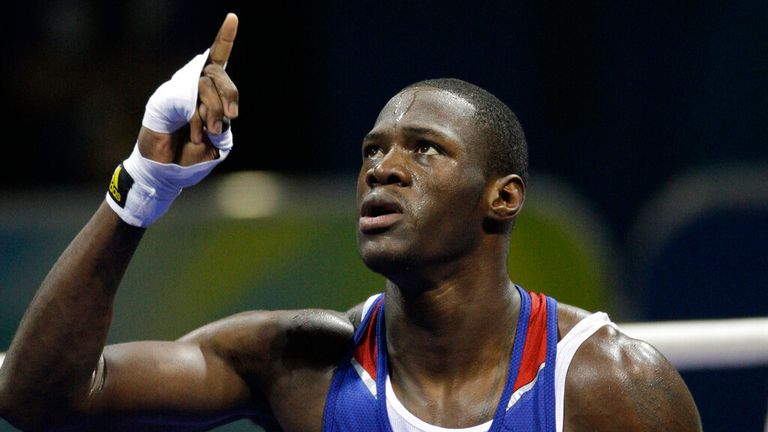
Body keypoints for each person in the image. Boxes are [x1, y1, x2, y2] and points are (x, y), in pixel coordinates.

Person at [0, 12, 702, 432]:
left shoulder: (608, 388)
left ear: (504, 197)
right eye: (373, 151)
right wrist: (142, 185)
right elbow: (39, 399)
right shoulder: (294, 364)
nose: (383, 169)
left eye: (424, 150)